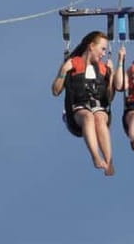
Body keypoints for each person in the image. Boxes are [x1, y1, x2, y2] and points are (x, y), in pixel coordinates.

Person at [52, 31, 123, 176]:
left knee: (99, 118)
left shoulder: (104, 69)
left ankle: (109, 161)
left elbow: (109, 98)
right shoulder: (72, 63)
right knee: (89, 116)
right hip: (78, 109)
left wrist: (111, 77)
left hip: (98, 107)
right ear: (91, 46)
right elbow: (55, 90)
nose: (103, 53)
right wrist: (64, 71)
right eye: (102, 49)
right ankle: (96, 156)